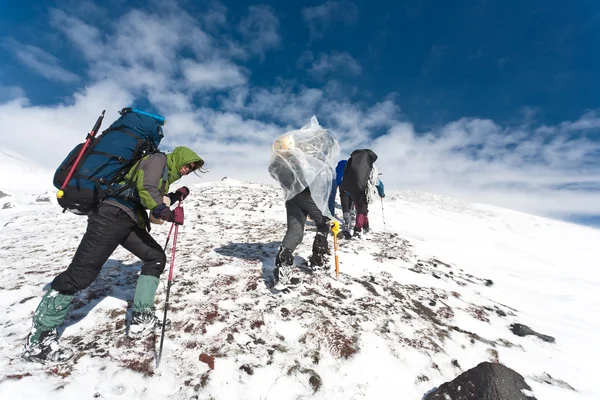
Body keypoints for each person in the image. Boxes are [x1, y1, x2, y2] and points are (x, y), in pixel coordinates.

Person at [23, 146, 204, 363]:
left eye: (191, 169)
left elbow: (149, 195)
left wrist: (174, 196)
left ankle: (142, 316)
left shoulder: (166, 173)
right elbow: (146, 187)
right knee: (80, 275)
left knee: (155, 256)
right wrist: (164, 210)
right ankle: (39, 340)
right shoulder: (158, 160)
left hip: (127, 219)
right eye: (187, 164)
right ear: (180, 157)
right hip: (111, 216)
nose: (186, 170)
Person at [268, 117, 339, 286]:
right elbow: (316, 181)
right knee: (324, 225)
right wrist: (330, 215)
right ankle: (318, 260)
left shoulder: (276, 164)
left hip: (291, 199)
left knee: (295, 231)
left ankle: (283, 269)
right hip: (307, 197)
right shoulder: (299, 159)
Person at [339, 149, 385, 238]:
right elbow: (378, 183)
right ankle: (358, 229)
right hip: (364, 191)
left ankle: (366, 226)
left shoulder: (353, 167)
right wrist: (382, 194)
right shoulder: (371, 169)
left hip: (353, 191)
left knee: (361, 209)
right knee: (362, 210)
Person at [335, 159, 354, 239]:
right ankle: (352, 219)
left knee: (345, 205)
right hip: (353, 188)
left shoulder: (341, 166)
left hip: (344, 188)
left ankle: (347, 222)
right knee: (351, 204)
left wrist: (337, 185)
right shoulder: (353, 168)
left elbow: (338, 177)